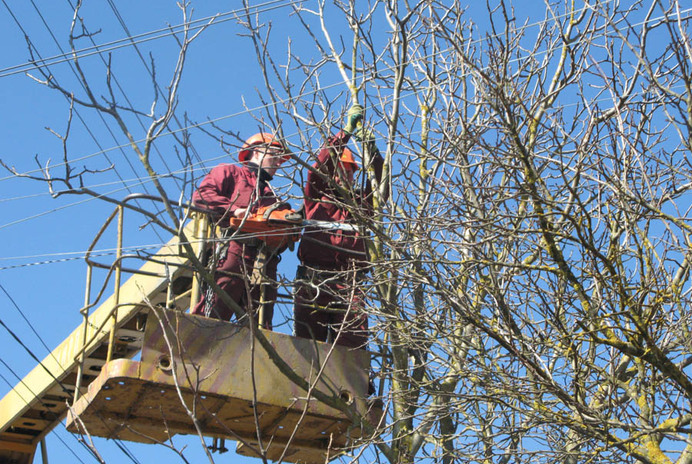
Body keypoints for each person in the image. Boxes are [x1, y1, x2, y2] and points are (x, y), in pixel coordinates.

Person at [293, 105, 384, 349]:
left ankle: (351, 386)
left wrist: (373, 152)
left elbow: (380, 185)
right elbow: (321, 166)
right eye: (341, 169)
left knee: (351, 344)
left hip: (350, 282)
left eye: (350, 171)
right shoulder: (317, 195)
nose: (346, 176)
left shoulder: (361, 206)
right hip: (313, 278)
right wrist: (346, 132)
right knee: (309, 345)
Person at [191, 133, 291, 329]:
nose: (279, 162)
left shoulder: (273, 198)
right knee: (215, 311)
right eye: (275, 155)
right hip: (233, 251)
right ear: (256, 151)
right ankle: (196, 339)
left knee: (260, 324)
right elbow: (202, 197)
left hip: (263, 264)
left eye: (281, 158)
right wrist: (234, 210)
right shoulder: (229, 173)